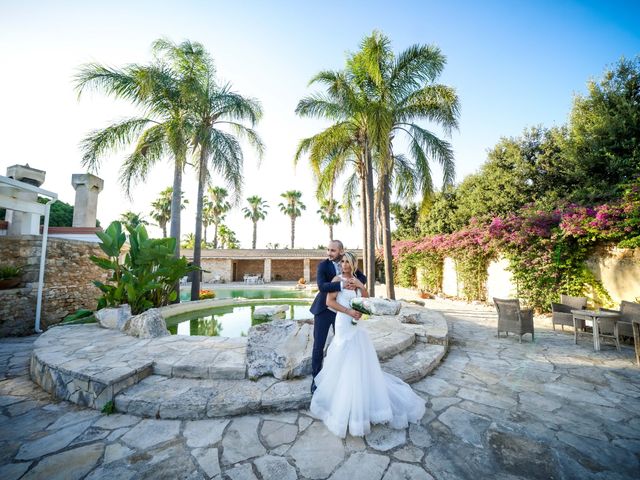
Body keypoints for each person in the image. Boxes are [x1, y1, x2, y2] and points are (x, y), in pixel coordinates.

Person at [310, 251, 426, 438]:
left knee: (359, 357)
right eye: (343, 262)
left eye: (348, 262)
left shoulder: (357, 280)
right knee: (343, 356)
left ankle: (362, 401)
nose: (345, 265)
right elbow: (329, 301)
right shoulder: (336, 278)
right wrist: (348, 311)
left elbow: (366, 298)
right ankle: (341, 403)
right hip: (343, 322)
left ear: (354, 264)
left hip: (358, 324)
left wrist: (361, 287)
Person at [309, 240, 366, 393]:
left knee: (342, 344)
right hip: (324, 310)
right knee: (318, 346)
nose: (329, 253)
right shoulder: (323, 265)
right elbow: (322, 287)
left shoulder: (347, 263)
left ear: (341, 251)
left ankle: (341, 377)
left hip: (343, 314)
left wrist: (356, 284)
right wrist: (342, 285)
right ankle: (315, 378)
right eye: (328, 250)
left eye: (333, 250)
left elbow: (363, 279)